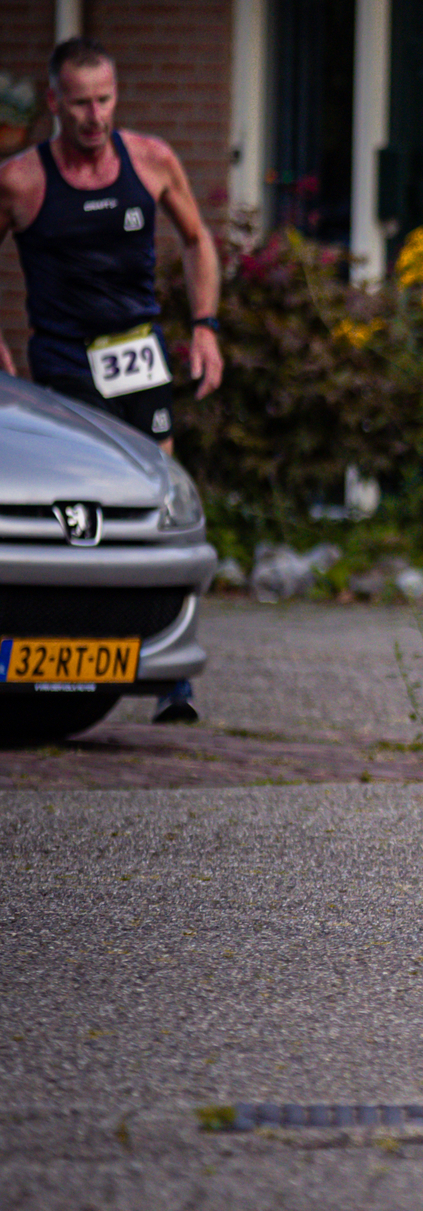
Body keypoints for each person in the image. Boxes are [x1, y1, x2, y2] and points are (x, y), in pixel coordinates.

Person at [0, 37, 226, 724]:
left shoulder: (152, 159)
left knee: (161, 498)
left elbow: (196, 239)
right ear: (54, 103)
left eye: (105, 100)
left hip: (139, 355)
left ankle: (168, 671)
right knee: (79, 507)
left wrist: (208, 324)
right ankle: (59, 653)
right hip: (65, 360)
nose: (94, 116)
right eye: (79, 103)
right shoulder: (20, 180)